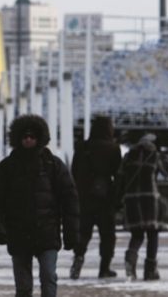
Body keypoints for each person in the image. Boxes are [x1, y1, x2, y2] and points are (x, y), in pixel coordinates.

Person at [0, 114, 80, 297]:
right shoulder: (8, 167)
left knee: (48, 277)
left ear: (40, 138)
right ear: (18, 139)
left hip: (47, 233)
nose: (28, 140)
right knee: (23, 285)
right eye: (25, 136)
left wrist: (71, 233)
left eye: (32, 136)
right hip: (18, 234)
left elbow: (70, 200)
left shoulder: (53, 165)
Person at [69, 115, 122, 279]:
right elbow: (119, 175)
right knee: (107, 234)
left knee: (83, 232)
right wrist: (117, 198)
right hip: (105, 198)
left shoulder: (82, 147)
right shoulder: (113, 148)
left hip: (84, 197)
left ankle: (78, 257)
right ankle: (104, 267)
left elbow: (74, 171)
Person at [116, 133, 168, 281]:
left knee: (137, 234)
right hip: (150, 200)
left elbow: (120, 179)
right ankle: (150, 271)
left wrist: (118, 200)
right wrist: (166, 157)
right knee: (152, 234)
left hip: (131, 200)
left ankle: (130, 258)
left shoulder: (128, 156)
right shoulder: (155, 155)